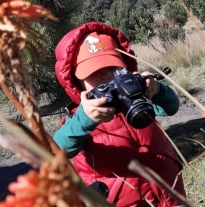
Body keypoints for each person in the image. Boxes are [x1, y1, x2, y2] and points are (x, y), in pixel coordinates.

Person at [53, 21, 186, 206]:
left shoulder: (137, 96)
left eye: (113, 67)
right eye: (94, 71)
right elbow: (58, 148)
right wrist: (85, 120)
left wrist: (156, 90)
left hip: (170, 192)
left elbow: (172, 107)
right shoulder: (80, 117)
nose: (106, 76)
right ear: (77, 81)